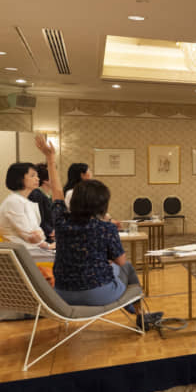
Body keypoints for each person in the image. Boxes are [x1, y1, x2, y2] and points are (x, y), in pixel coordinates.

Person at [33, 136, 161, 326]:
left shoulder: (61, 222)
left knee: (116, 269)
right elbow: (121, 261)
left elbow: (57, 193)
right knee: (127, 268)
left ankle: (138, 313)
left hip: (62, 294)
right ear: (101, 206)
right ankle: (140, 315)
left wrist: (50, 158)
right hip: (97, 294)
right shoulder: (106, 228)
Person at [0, 162, 53, 252]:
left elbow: (39, 233)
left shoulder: (26, 201)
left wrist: (40, 239)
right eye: (32, 176)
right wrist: (48, 245)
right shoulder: (13, 201)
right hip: (19, 251)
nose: (37, 179)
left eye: (37, 176)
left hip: (30, 249)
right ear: (20, 178)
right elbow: (29, 235)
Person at [28, 163, 55, 243]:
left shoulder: (48, 195)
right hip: (43, 238)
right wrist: (51, 232)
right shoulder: (36, 194)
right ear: (46, 180)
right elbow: (39, 219)